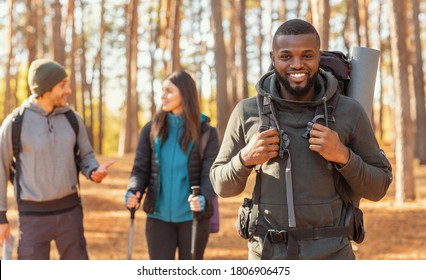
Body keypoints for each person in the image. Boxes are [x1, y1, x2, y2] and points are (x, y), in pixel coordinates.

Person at [210, 19, 393, 260]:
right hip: (267, 255)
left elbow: (379, 186)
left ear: (318, 56)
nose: (297, 64)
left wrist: (343, 156)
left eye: (307, 55)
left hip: (332, 257)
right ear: (273, 57)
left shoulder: (350, 111)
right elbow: (221, 186)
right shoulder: (247, 111)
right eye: (286, 56)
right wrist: (245, 158)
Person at [0, 58, 113, 260]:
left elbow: (86, 155)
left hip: (70, 214)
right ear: (45, 88)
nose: (68, 90)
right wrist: (0, 217)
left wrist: (93, 171)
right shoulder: (15, 123)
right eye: (63, 85)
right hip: (32, 218)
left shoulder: (72, 118)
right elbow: (0, 169)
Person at [125, 70, 219, 260]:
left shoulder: (207, 132)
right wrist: (133, 189)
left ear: (184, 93)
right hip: (158, 218)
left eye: (169, 91)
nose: (163, 96)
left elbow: (212, 174)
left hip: (192, 218)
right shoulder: (151, 129)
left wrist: (204, 197)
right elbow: (140, 169)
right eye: (162, 90)